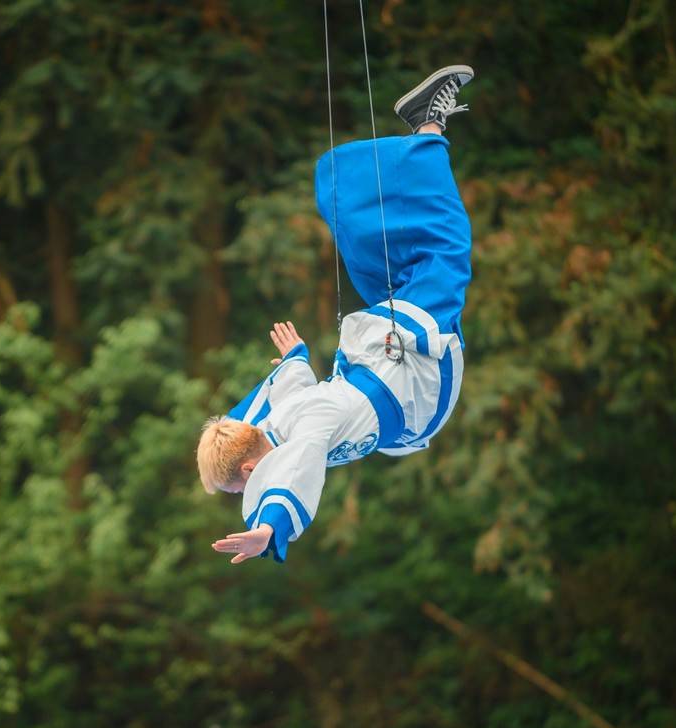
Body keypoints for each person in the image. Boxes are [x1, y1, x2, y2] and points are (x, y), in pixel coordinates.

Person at [197, 65, 474, 564]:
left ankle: (425, 129)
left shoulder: (297, 432)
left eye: (240, 491)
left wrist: (269, 529)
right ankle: (410, 141)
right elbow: (285, 410)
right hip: (396, 384)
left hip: (404, 385)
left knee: (424, 258)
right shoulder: (280, 425)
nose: (244, 495)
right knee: (426, 265)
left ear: (247, 473)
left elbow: (298, 462)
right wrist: (294, 359)